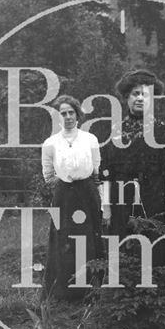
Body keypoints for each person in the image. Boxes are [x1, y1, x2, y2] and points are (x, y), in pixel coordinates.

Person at [100, 69, 165, 266]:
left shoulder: (164, 130)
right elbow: (106, 171)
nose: (139, 98)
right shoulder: (114, 132)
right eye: (134, 94)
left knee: (156, 244)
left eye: (144, 94)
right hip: (122, 198)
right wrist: (106, 206)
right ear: (126, 98)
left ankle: (158, 292)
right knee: (123, 245)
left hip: (155, 196)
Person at [41, 95, 103, 301]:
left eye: (71, 113)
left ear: (78, 115)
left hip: (87, 194)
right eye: (63, 113)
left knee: (89, 239)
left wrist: (99, 198)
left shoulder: (90, 139)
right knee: (63, 240)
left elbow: (96, 170)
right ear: (58, 117)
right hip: (64, 195)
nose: (67, 117)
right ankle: (65, 292)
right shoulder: (50, 143)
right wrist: (64, 186)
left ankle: (90, 290)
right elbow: (48, 175)